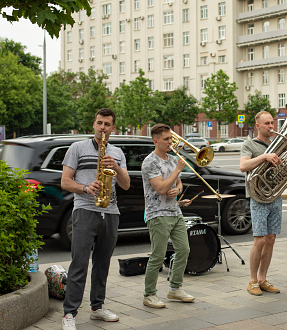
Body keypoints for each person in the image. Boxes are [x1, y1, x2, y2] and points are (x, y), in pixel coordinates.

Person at [61, 108, 130, 330]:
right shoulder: (77, 148)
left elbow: (126, 184)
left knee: (102, 263)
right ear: (94, 125)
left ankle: (97, 307)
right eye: (99, 123)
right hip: (84, 210)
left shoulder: (117, 152)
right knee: (79, 263)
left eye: (107, 124)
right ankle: (69, 313)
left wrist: (116, 167)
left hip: (110, 212)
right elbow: (65, 181)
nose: (102, 128)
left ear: (113, 128)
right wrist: (84, 187)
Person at [239, 111, 287, 296]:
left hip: (275, 197)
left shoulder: (279, 145)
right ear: (257, 125)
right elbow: (243, 166)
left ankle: (262, 279)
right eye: (267, 123)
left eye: (272, 123)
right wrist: (264, 157)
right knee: (259, 240)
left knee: (271, 240)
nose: (271, 127)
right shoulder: (249, 144)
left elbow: (280, 170)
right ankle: (252, 281)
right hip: (258, 198)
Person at [142, 123, 195, 308]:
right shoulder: (150, 162)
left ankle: (175, 288)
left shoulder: (173, 159)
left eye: (171, 138)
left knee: (184, 249)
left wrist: (178, 192)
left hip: (174, 211)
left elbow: (177, 186)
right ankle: (149, 294)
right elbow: (162, 188)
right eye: (166, 139)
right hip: (157, 213)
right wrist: (177, 171)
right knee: (158, 254)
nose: (170, 142)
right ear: (156, 141)